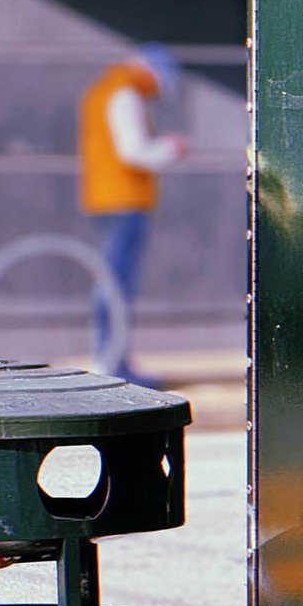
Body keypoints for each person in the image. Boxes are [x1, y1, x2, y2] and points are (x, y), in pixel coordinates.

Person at [78, 44, 187, 380]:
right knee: (116, 284)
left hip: (107, 198)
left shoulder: (105, 90)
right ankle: (111, 362)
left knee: (112, 282)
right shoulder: (125, 94)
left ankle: (113, 359)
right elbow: (133, 150)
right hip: (123, 200)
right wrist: (170, 148)